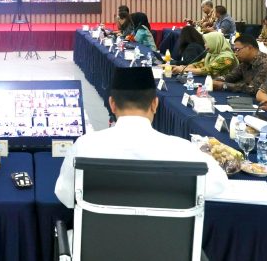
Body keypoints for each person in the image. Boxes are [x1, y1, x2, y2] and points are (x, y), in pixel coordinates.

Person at [55, 66, 227, 208]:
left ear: (112, 104)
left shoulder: (85, 146)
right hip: (165, 239)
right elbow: (218, 185)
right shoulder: (183, 150)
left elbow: (66, 195)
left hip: (97, 239)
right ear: (155, 104)